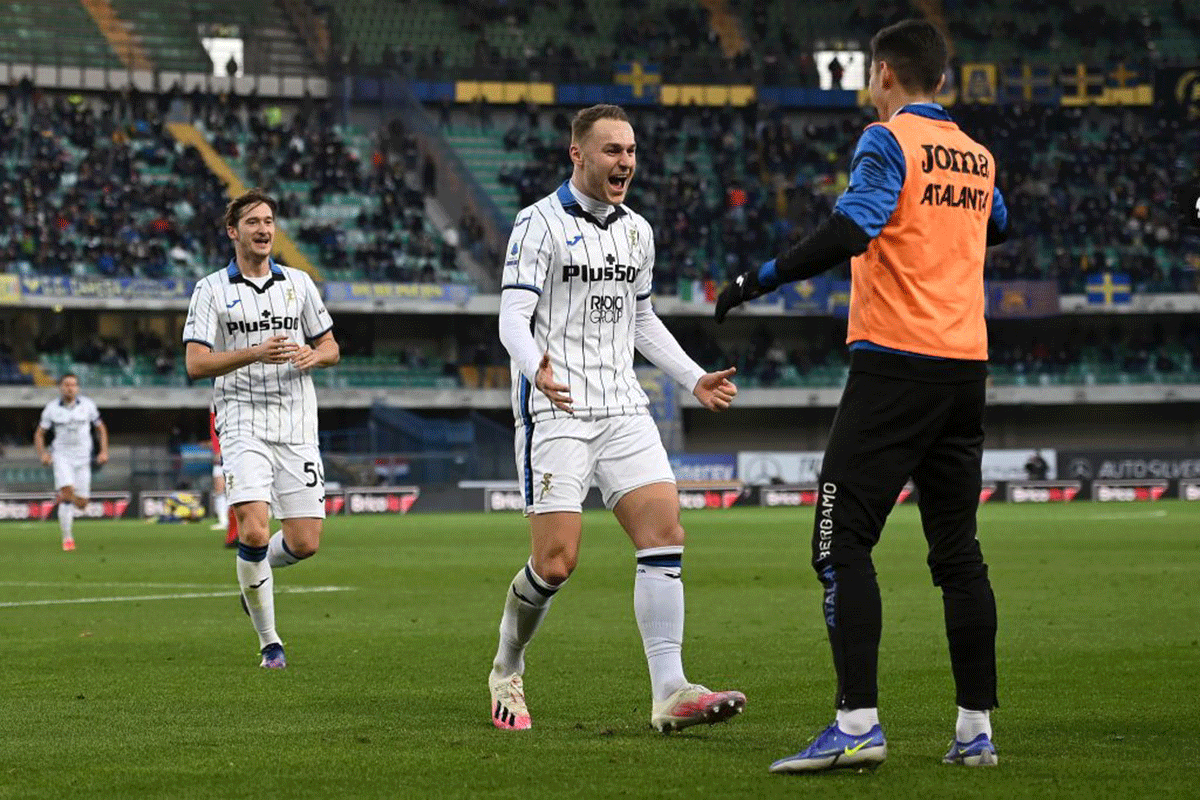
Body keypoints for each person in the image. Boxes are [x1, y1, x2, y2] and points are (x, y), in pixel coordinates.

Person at [715, 20, 1009, 772]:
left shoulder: (887, 140)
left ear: (883, 73)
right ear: (941, 79)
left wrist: (760, 280)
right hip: (965, 368)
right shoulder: (977, 157)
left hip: (897, 365)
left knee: (839, 538)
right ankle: (975, 732)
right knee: (958, 554)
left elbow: (856, 225)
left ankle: (856, 724)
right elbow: (998, 225)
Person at [491, 103, 746, 733]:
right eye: (611, 150)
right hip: (558, 407)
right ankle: (507, 667)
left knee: (664, 534)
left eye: (630, 151)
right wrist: (535, 369)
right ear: (577, 154)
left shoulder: (638, 231)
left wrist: (692, 377)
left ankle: (670, 690)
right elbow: (511, 318)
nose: (625, 162)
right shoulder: (536, 224)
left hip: (624, 405)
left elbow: (640, 319)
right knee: (555, 563)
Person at [183, 189, 339, 669]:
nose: (264, 229)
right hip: (242, 419)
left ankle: (255, 579)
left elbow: (330, 344)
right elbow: (195, 363)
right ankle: (271, 642)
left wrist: (316, 355)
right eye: (253, 222)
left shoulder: (299, 284)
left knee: (305, 542)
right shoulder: (210, 289)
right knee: (253, 529)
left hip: (296, 422)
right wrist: (253, 352)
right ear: (234, 231)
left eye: (269, 221)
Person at [34, 373, 108, 551]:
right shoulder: (51, 408)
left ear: (78, 388)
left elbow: (101, 428)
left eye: (73, 385)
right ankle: (67, 537)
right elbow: (39, 434)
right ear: (60, 387)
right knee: (67, 493)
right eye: (66, 385)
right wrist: (42, 454)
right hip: (62, 455)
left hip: (83, 458)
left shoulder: (88, 405)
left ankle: (65, 497)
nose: (70, 388)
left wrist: (104, 451)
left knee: (82, 503)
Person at [210, 404, 239, 545]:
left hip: (235, 450)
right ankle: (223, 520)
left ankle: (235, 526)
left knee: (234, 488)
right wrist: (217, 449)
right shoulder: (216, 403)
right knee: (220, 487)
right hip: (223, 453)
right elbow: (213, 429)